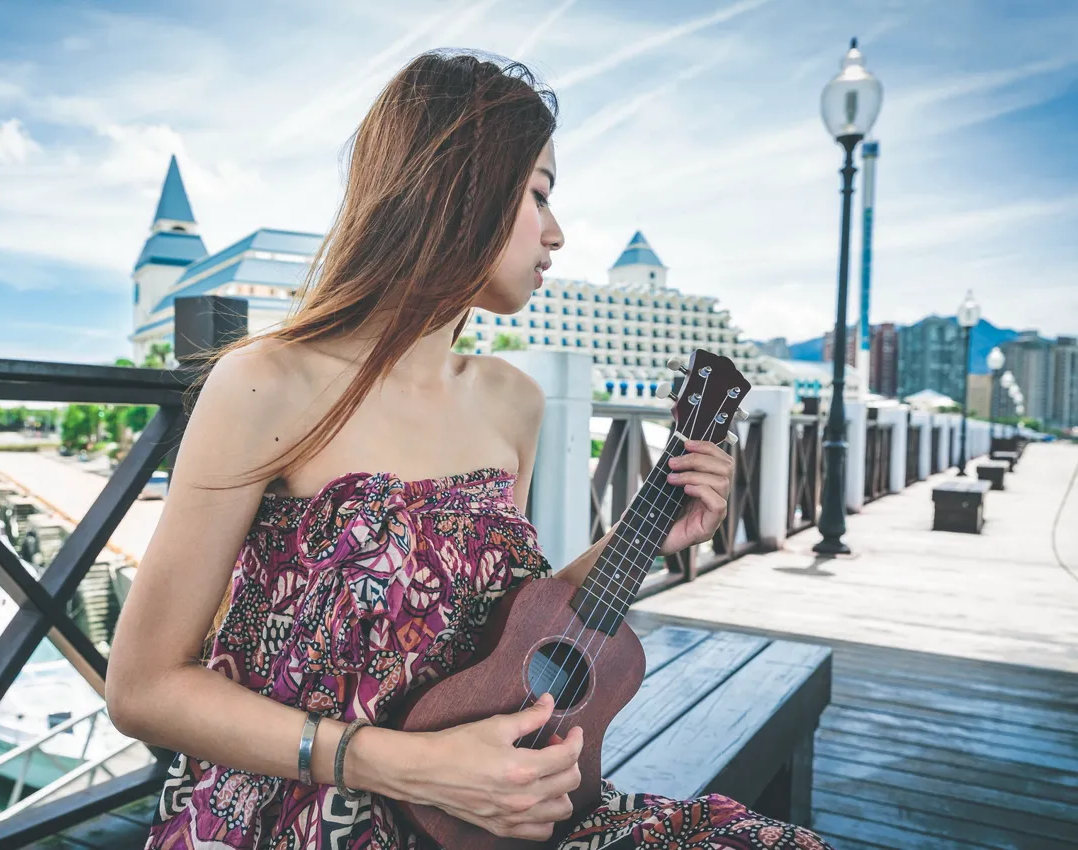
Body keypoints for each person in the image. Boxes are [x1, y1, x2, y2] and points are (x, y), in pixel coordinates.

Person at [107, 49, 832, 850]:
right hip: (296, 818)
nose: (555, 233)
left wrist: (639, 539)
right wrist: (408, 768)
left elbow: (494, 626)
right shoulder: (264, 382)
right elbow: (143, 689)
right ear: (455, 187)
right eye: (538, 194)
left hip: (490, 817)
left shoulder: (511, 400)